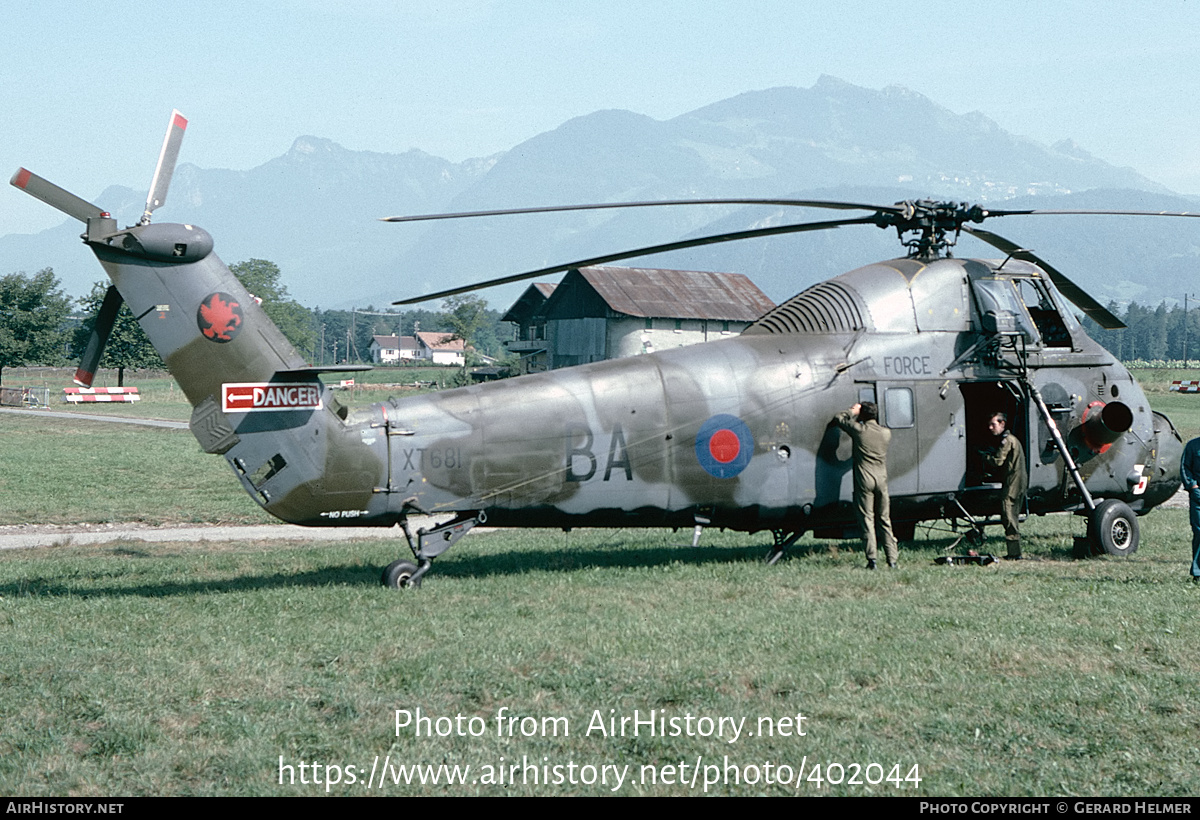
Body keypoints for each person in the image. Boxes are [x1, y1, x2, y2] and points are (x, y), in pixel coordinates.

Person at [835, 402, 898, 569]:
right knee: (885, 519)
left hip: (865, 480)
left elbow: (839, 419)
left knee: (867, 519)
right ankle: (892, 559)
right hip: (881, 480)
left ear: (863, 415)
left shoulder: (860, 431)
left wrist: (852, 411)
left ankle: (872, 559)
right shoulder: (886, 433)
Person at [982, 412, 1027, 559]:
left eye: (993, 424)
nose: (990, 427)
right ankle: (1015, 552)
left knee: (1008, 514)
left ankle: (1014, 553)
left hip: (1013, 482)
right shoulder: (1012, 439)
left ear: (1002, 424)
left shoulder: (1006, 441)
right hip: (1017, 481)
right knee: (1011, 514)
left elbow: (998, 462)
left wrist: (984, 456)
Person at [1179, 434, 1200, 583]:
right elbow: (1185, 467)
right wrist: (1193, 486)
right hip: (1198, 496)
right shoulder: (1193, 446)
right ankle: (1198, 573)